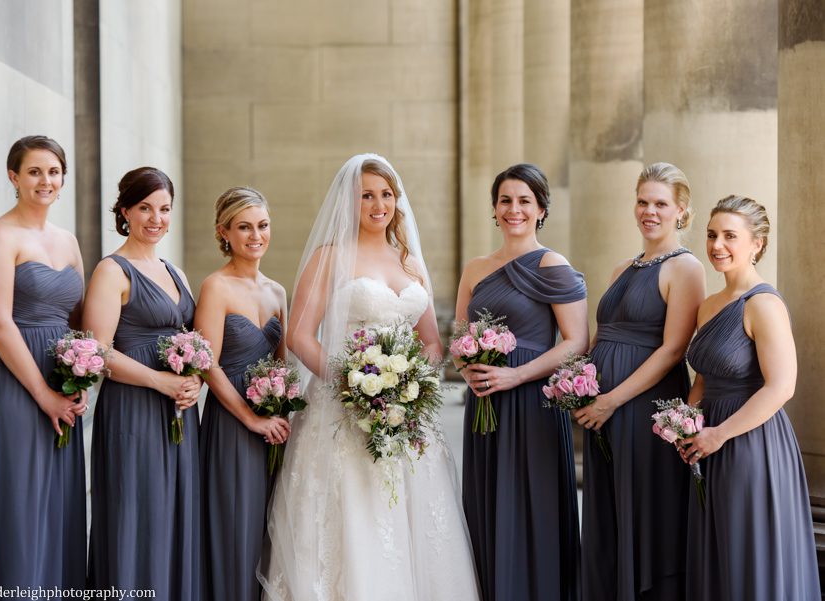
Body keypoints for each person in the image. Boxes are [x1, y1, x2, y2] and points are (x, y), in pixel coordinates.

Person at [259, 154, 480, 601]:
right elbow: (301, 335)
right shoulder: (330, 257)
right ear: (349, 201)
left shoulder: (410, 262)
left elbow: (433, 343)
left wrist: (413, 385)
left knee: (415, 518)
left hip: (406, 413)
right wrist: (352, 386)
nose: (378, 204)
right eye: (366, 196)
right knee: (354, 513)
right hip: (344, 408)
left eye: (386, 194)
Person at [0, 135, 88, 592]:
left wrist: (81, 374)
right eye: (34, 171)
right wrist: (42, 393)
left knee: (55, 494)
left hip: (60, 372)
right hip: (13, 375)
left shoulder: (68, 241)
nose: (45, 181)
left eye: (53, 172)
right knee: (18, 490)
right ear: (14, 177)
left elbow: (77, 320)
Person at [455, 163, 588, 601]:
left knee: (534, 507)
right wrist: (468, 368)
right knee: (489, 504)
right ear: (494, 208)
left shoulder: (553, 265)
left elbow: (576, 341)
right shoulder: (475, 269)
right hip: (486, 407)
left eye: (524, 201)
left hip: (533, 404)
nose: (514, 209)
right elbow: (459, 337)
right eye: (506, 200)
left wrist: (517, 374)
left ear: (541, 209)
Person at [573, 163, 705, 601]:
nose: (649, 211)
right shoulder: (620, 269)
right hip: (604, 407)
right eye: (643, 201)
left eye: (661, 204)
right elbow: (601, 335)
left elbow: (672, 350)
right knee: (609, 507)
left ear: (681, 211)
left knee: (645, 509)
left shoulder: (685, 268)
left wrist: (611, 400)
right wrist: (577, 382)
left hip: (644, 409)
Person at [679, 195, 819, 600]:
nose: (717, 245)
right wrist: (683, 423)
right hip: (707, 442)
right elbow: (703, 380)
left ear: (757, 243)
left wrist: (719, 434)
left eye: (729, 236)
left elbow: (781, 387)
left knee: (747, 550)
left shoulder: (764, 304)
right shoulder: (707, 307)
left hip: (750, 441)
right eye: (711, 235)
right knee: (717, 549)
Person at [84, 167, 201, 599]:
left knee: (173, 514)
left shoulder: (177, 272)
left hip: (180, 416)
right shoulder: (112, 271)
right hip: (132, 411)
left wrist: (193, 382)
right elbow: (99, 351)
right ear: (125, 212)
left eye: (165, 209)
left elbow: (193, 341)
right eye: (145, 208)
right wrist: (160, 382)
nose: (156, 218)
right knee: (137, 514)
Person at [195, 187, 290, 601]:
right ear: (224, 232)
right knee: (236, 526)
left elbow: (283, 365)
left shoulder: (277, 292)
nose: (256, 235)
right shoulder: (215, 287)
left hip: (275, 427)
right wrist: (251, 418)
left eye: (263, 225)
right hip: (233, 425)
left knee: (270, 528)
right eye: (245, 227)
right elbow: (207, 364)